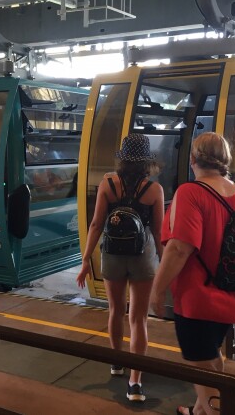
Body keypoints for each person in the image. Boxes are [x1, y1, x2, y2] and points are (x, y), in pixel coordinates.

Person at [149, 132, 235, 415]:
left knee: (202, 368)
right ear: (225, 160)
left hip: (198, 298)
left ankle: (210, 410)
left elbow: (179, 248)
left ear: (192, 160)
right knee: (212, 357)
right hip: (233, 294)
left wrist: (157, 289)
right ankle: (199, 410)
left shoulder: (191, 192)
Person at [76, 133, 164, 403]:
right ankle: (135, 382)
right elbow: (159, 233)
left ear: (122, 159)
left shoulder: (108, 183)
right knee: (139, 319)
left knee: (115, 311)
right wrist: (162, 265)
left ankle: (117, 363)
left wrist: (85, 261)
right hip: (142, 256)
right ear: (147, 162)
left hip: (112, 254)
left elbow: (96, 224)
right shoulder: (154, 190)